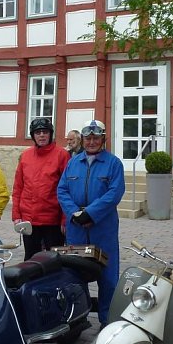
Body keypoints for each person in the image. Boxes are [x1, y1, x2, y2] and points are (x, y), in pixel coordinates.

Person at [57, 120, 125, 327]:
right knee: (76, 275)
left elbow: (114, 193)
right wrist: (75, 214)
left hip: (102, 229)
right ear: (83, 140)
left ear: (103, 139)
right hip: (76, 229)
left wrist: (91, 214)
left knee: (108, 278)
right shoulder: (73, 162)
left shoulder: (113, 163)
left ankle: (107, 320)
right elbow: (62, 190)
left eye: (96, 138)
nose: (92, 142)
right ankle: (79, 317)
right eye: (88, 138)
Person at [12, 117, 69, 260]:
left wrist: (65, 219)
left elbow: (68, 188)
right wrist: (16, 215)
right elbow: (18, 187)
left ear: (50, 134)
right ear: (33, 136)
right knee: (30, 260)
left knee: (54, 260)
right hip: (30, 220)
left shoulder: (62, 155)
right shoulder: (25, 155)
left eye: (45, 132)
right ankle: (31, 283)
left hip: (52, 220)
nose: (42, 135)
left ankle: (53, 283)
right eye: (38, 133)